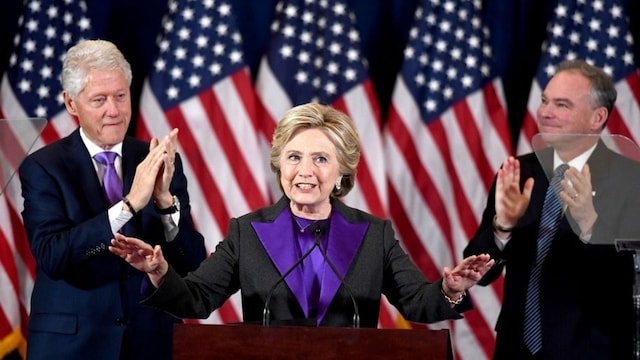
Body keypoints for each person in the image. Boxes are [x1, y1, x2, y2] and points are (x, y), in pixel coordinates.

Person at [109, 102, 494, 329]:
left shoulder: (373, 234)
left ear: (343, 170)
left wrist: (450, 289)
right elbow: (196, 299)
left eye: (320, 159)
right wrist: (158, 272)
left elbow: (416, 302)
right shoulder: (249, 232)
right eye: (294, 157)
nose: (304, 171)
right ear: (280, 165)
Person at [18, 39, 206, 360]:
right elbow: (53, 255)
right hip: (72, 347)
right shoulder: (43, 168)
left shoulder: (155, 159)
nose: (114, 111)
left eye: (121, 96)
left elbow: (191, 263)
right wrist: (129, 205)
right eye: (99, 100)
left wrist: (164, 202)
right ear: (71, 103)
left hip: (150, 343)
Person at [464, 59, 640, 359]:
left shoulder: (630, 180)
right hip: (515, 350)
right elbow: (479, 273)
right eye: (544, 101)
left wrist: (590, 227)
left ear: (597, 117)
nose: (545, 112)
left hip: (593, 351)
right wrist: (503, 227)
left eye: (562, 105)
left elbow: (628, 282)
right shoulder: (518, 172)